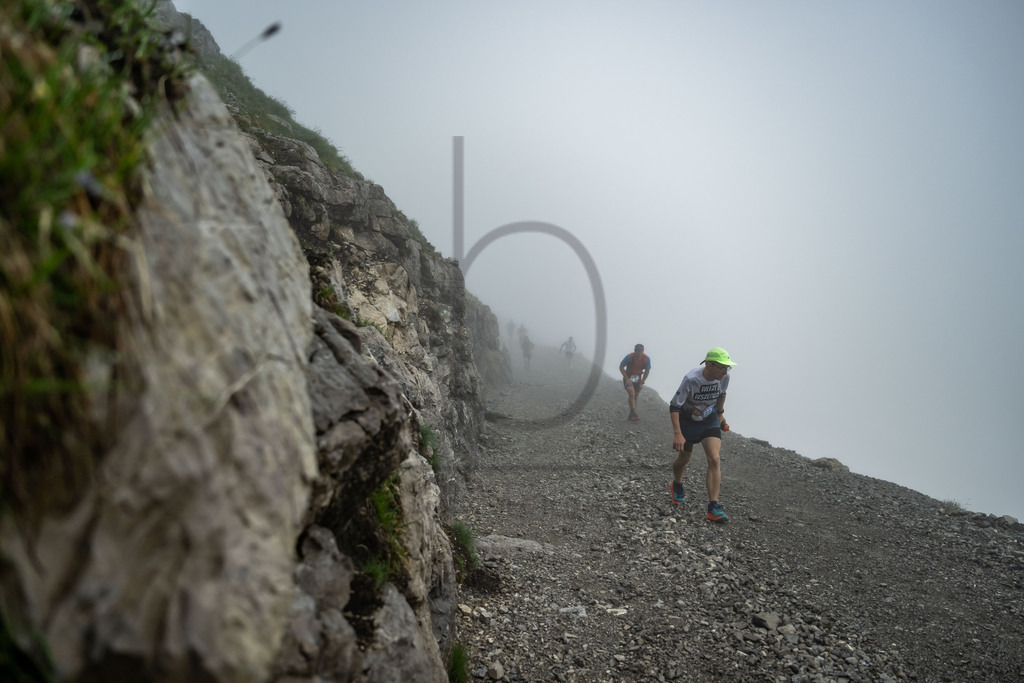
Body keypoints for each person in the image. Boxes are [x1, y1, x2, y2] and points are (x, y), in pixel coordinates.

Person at [668, 347, 736, 522]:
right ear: (708, 364)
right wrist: (678, 433)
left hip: (709, 421)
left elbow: (722, 394)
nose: (725, 371)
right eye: (722, 367)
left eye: (727, 367)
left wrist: (720, 413)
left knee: (714, 459)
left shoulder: (724, 377)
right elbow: (675, 406)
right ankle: (677, 484)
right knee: (684, 457)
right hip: (687, 422)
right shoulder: (691, 379)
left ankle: (713, 507)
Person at [619, 343, 651, 421]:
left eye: (641, 352)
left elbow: (647, 371)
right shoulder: (629, 357)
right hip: (629, 376)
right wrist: (627, 379)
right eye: (638, 352)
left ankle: (631, 414)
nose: (639, 354)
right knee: (631, 393)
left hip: (637, 377)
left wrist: (642, 382)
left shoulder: (646, 359)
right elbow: (621, 367)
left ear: (643, 351)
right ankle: (634, 413)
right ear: (635, 351)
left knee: (636, 395)